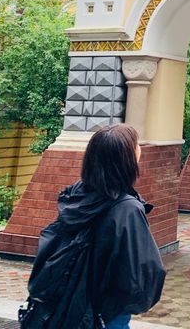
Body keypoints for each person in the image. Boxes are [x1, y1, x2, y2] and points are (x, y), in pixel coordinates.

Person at [29, 124, 166, 329]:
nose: (140, 149)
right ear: (125, 159)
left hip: (67, 306)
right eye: (136, 145)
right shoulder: (126, 209)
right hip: (105, 315)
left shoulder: (75, 195)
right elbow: (142, 277)